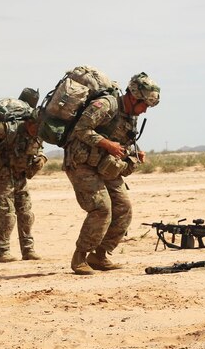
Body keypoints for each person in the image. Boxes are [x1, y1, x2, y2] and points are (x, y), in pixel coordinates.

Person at [63, 72, 160, 275]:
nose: (144, 111)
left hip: (105, 165)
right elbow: (81, 129)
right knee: (101, 208)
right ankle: (80, 257)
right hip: (81, 163)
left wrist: (133, 152)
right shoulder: (106, 105)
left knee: (123, 208)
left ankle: (99, 256)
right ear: (134, 97)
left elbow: (122, 141)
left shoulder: (130, 116)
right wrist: (107, 144)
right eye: (144, 105)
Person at [0, 88, 48, 262]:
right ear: (29, 122)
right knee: (7, 213)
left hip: (20, 173)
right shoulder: (9, 128)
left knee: (26, 213)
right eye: (35, 127)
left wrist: (42, 159)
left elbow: (40, 148)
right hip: (2, 173)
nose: (37, 131)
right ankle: (3, 251)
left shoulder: (38, 132)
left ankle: (28, 249)